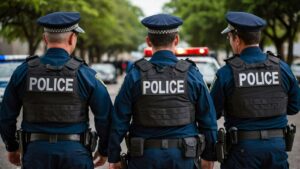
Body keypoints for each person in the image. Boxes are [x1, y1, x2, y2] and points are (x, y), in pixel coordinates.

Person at [0, 12, 113, 169]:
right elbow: (105, 118)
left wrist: (11, 147)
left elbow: (6, 116)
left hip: (35, 155)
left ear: (44, 39)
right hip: (76, 155)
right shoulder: (86, 74)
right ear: (72, 38)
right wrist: (104, 151)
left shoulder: (23, 72)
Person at [108, 14, 217, 169]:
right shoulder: (191, 74)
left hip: (144, 159)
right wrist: (209, 155)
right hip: (183, 158)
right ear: (176, 40)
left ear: (148, 41)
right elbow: (208, 117)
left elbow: (119, 120)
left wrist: (113, 156)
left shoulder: (135, 74)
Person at [210, 11, 300, 169]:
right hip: (276, 149)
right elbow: (294, 107)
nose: (230, 42)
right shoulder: (282, 68)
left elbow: (212, 113)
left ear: (237, 39)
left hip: (241, 152)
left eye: (229, 37)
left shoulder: (226, 72)